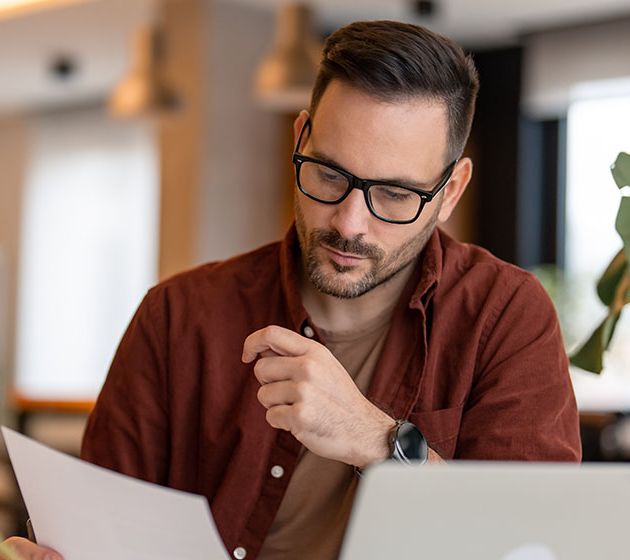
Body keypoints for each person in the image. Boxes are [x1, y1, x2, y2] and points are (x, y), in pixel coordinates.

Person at [3, 19, 581, 560]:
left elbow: (533, 545)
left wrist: (377, 442)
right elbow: (105, 531)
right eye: (330, 173)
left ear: (450, 191)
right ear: (301, 136)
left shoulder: (505, 315)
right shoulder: (178, 316)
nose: (351, 223)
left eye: (395, 195)